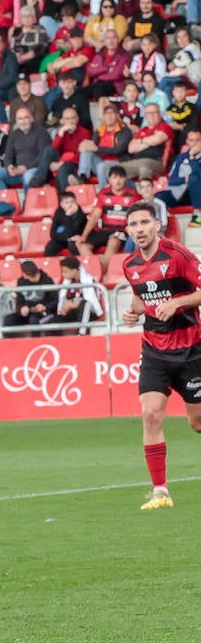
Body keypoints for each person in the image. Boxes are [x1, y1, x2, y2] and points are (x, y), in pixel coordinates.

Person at [121, 202, 201, 512]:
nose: (139, 229)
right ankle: (160, 490)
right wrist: (132, 312)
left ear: (157, 225)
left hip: (191, 348)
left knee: (197, 423)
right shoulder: (129, 264)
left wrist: (178, 302)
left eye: (144, 222)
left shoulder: (178, 255)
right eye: (134, 224)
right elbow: (142, 296)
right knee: (151, 413)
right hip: (154, 349)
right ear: (128, 230)